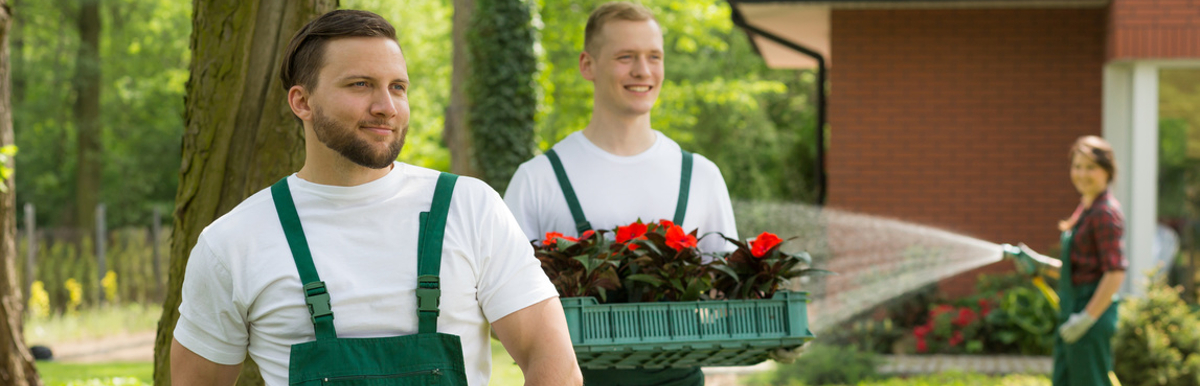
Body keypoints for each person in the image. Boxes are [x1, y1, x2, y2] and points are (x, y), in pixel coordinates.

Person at [169, 10, 582, 386]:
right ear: (302, 102)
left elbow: (554, 362)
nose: (386, 107)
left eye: (397, 87)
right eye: (360, 84)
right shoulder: (233, 241)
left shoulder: (470, 208)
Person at [503, 3, 739, 385]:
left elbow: (729, 297)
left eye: (654, 57)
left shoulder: (700, 176)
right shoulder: (538, 178)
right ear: (587, 65)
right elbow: (502, 312)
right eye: (625, 57)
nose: (643, 71)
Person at [1004, 135, 1127, 386]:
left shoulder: (1105, 213)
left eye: (1090, 167)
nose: (1082, 174)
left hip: (1089, 312)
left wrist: (1087, 318)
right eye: (1077, 166)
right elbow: (1081, 268)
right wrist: (1040, 264)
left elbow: (1114, 272)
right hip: (1073, 310)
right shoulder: (1087, 207)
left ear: (1107, 171)